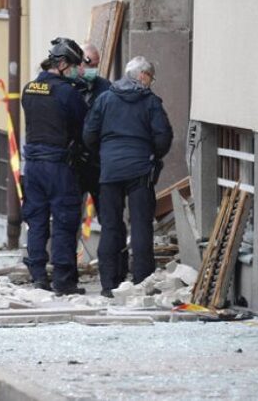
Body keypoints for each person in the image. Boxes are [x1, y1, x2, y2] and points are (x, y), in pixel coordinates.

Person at [83, 56, 173, 297]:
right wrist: (152, 155)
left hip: (110, 171)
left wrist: (104, 155)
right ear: (142, 76)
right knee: (141, 225)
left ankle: (109, 283)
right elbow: (164, 136)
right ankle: (142, 281)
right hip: (140, 170)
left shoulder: (105, 99)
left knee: (110, 225)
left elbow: (89, 134)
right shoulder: (150, 102)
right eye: (151, 77)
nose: (151, 82)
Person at [20, 38, 89, 295]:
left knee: (36, 221)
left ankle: (38, 276)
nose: (77, 71)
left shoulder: (29, 89)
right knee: (63, 221)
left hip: (33, 166)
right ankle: (63, 280)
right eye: (74, 66)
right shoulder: (67, 93)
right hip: (58, 166)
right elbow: (83, 127)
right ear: (61, 64)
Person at [69, 43, 113, 210]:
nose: (93, 70)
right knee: (71, 212)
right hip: (73, 160)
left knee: (107, 211)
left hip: (98, 160)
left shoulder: (106, 87)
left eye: (96, 65)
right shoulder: (67, 86)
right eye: (90, 65)